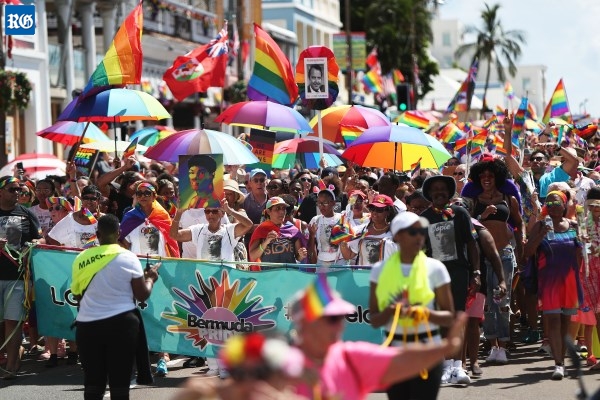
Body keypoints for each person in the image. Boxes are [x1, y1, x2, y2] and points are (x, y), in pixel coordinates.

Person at [290, 274, 468, 400]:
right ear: (306, 322)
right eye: (333, 318)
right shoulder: (279, 365)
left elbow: (402, 358)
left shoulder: (350, 357)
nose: (341, 324)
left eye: (341, 317)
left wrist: (444, 347)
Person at [369, 211, 458, 397]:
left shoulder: (436, 268)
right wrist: (391, 311)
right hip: (395, 353)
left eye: (421, 232)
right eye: (412, 232)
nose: (419, 237)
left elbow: (449, 317)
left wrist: (424, 313)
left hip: (427, 351)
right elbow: (376, 320)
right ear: (397, 236)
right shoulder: (379, 270)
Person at [72, 214, 159, 399]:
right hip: (122, 326)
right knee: (120, 384)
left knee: (93, 384)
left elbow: (77, 295)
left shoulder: (81, 258)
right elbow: (142, 295)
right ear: (119, 233)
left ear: (97, 234)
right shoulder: (128, 257)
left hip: (88, 326)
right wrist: (150, 278)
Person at [462, 157, 523, 364]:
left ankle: (503, 346)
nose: (486, 178)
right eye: (482, 175)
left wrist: (521, 251)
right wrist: (483, 214)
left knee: (503, 301)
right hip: (481, 256)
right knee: (486, 303)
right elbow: (465, 226)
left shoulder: (508, 197)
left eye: (490, 175)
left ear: (497, 176)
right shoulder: (473, 201)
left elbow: (519, 223)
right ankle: (492, 345)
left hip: (505, 254)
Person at [420, 175, 479, 384]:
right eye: (434, 189)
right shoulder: (424, 217)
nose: (439, 192)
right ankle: (445, 366)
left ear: (448, 192)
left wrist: (476, 272)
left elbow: (472, 244)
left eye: (443, 189)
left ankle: (458, 367)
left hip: (459, 273)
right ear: (429, 194)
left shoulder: (460, 213)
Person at [523, 190, 583, 380]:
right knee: (554, 321)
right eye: (549, 203)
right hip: (548, 281)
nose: (553, 206)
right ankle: (558, 363)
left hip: (570, 281)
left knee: (566, 322)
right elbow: (527, 252)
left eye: (557, 203)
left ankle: (562, 360)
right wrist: (541, 234)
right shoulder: (540, 225)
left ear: (565, 205)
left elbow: (582, 252)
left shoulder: (574, 225)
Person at [0, 176, 43, 379]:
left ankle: (11, 365)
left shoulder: (26, 213)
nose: (17, 193)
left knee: (12, 321)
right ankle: (12, 354)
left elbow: (40, 237)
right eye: (12, 189)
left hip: (16, 276)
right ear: (0, 191)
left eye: (19, 190)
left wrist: (33, 243)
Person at [169, 198, 252, 264]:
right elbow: (174, 235)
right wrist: (179, 213)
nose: (210, 214)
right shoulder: (198, 230)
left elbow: (248, 225)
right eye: (207, 211)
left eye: (214, 211)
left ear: (222, 214)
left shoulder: (229, 230)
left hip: (224, 280)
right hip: (203, 280)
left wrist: (230, 210)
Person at [248, 197, 307, 268]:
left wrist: (301, 255)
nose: (282, 212)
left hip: (288, 275)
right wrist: (265, 243)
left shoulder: (292, 230)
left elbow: (298, 258)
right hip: (269, 276)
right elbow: (253, 256)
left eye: (283, 208)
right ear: (268, 211)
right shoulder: (261, 230)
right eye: (277, 209)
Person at [340, 194, 397, 266]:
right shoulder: (361, 230)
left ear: (388, 212)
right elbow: (349, 255)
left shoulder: (396, 233)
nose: (374, 213)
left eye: (379, 210)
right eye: (372, 209)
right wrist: (342, 242)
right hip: (363, 275)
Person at [307, 188, 343, 269]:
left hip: (340, 262)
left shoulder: (342, 218)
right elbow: (311, 246)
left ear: (333, 203)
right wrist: (312, 235)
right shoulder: (315, 220)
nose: (321, 206)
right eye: (319, 203)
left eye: (325, 203)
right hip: (322, 263)